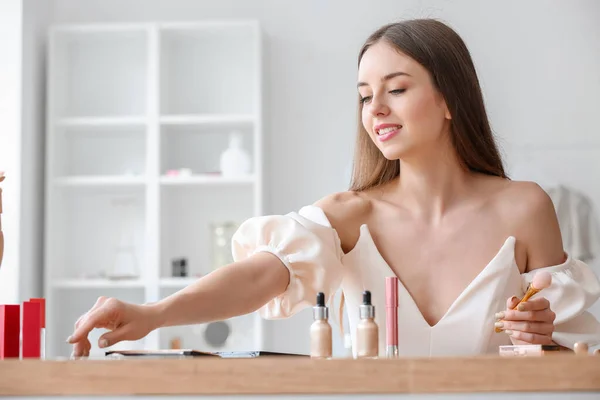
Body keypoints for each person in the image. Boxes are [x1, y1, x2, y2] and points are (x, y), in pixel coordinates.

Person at [67, 19, 600, 357]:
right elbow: (257, 277)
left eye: (396, 89)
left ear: (448, 100)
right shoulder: (349, 215)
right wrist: (155, 314)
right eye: (365, 96)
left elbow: (565, 354)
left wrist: (543, 336)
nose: (376, 110)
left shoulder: (524, 208)